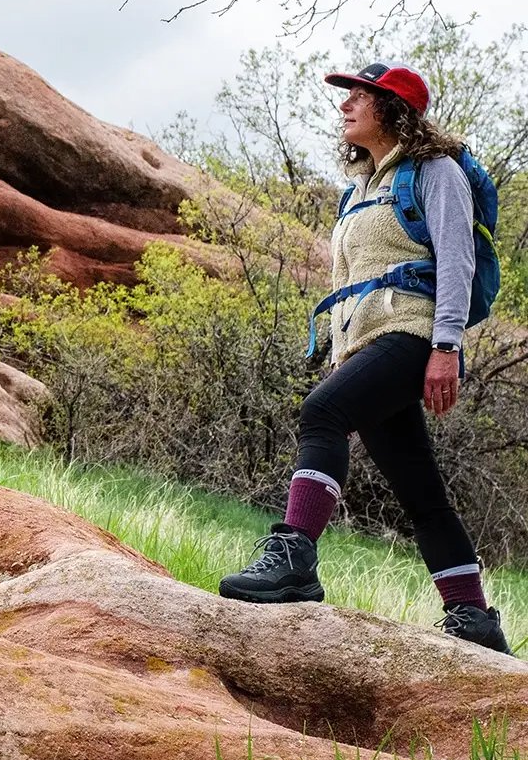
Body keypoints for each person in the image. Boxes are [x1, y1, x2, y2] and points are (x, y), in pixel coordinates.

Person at [218, 62, 511, 655]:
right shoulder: (360, 190)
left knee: (321, 415)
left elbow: (456, 259)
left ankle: (294, 557)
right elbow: (347, 278)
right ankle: (473, 618)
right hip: (366, 342)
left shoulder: (435, 171)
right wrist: (338, 354)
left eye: (359, 96)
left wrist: (446, 345)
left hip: (414, 333)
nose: (346, 105)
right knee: (419, 491)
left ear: (393, 108)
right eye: (347, 96)